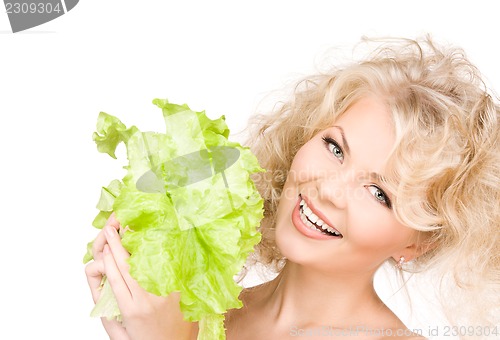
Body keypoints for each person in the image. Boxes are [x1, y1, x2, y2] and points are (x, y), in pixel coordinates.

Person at [85, 36, 500, 339]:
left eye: (380, 193)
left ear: (417, 244)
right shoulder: (195, 315)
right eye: (335, 147)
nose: (330, 190)